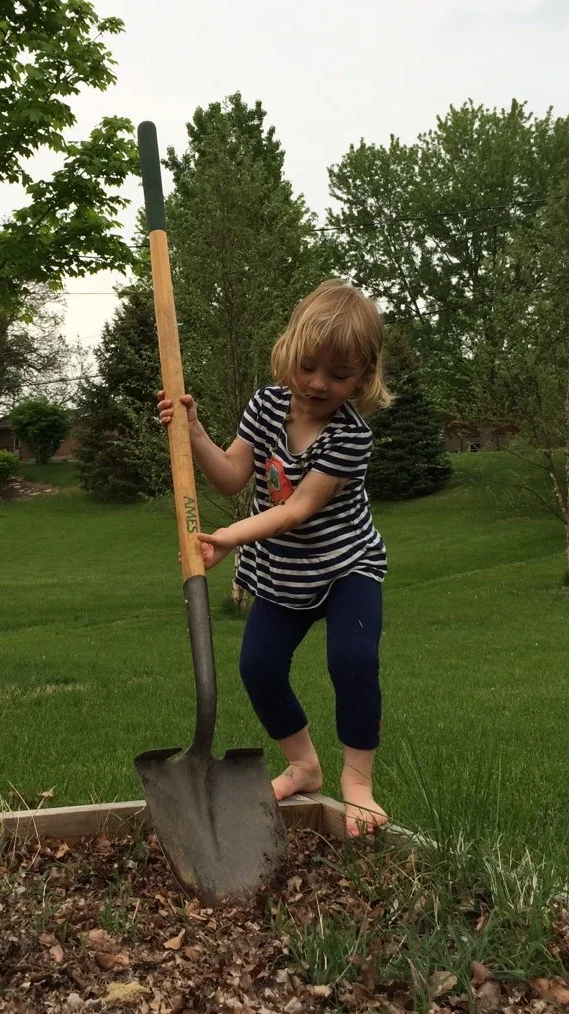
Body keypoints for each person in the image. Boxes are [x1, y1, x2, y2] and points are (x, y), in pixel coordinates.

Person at [157, 280, 392, 836]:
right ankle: (304, 765)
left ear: (363, 377)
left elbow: (295, 510)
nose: (318, 384)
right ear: (289, 351)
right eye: (309, 366)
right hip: (282, 571)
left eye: (339, 375)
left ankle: (358, 785)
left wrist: (228, 537)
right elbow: (233, 475)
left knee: (353, 660)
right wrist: (192, 432)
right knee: (258, 668)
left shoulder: (349, 437)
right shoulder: (265, 406)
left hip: (345, 567)